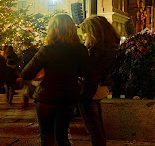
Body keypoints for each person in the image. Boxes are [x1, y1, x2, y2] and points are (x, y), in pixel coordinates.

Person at [20, 13, 89, 146]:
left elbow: (26, 73)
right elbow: (85, 72)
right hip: (68, 97)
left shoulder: (47, 50)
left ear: (52, 29)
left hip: (47, 97)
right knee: (62, 137)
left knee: (47, 138)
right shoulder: (80, 50)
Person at [78, 16, 120, 146]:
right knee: (98, 127)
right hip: (101, 88)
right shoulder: (111, 48)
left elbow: (89, 73)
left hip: (90, 90)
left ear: (93, 32)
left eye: (86, 32)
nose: (85, 36)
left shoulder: (95, 51)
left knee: (93, 129)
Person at [19, 40, 39, 108]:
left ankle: (25, 101)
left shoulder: (25, 55)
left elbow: (22, 64)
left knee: (26, 88)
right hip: (35, 73)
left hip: (26, 72)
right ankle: (34, 99)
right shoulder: (36, 54)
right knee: (34, 87)